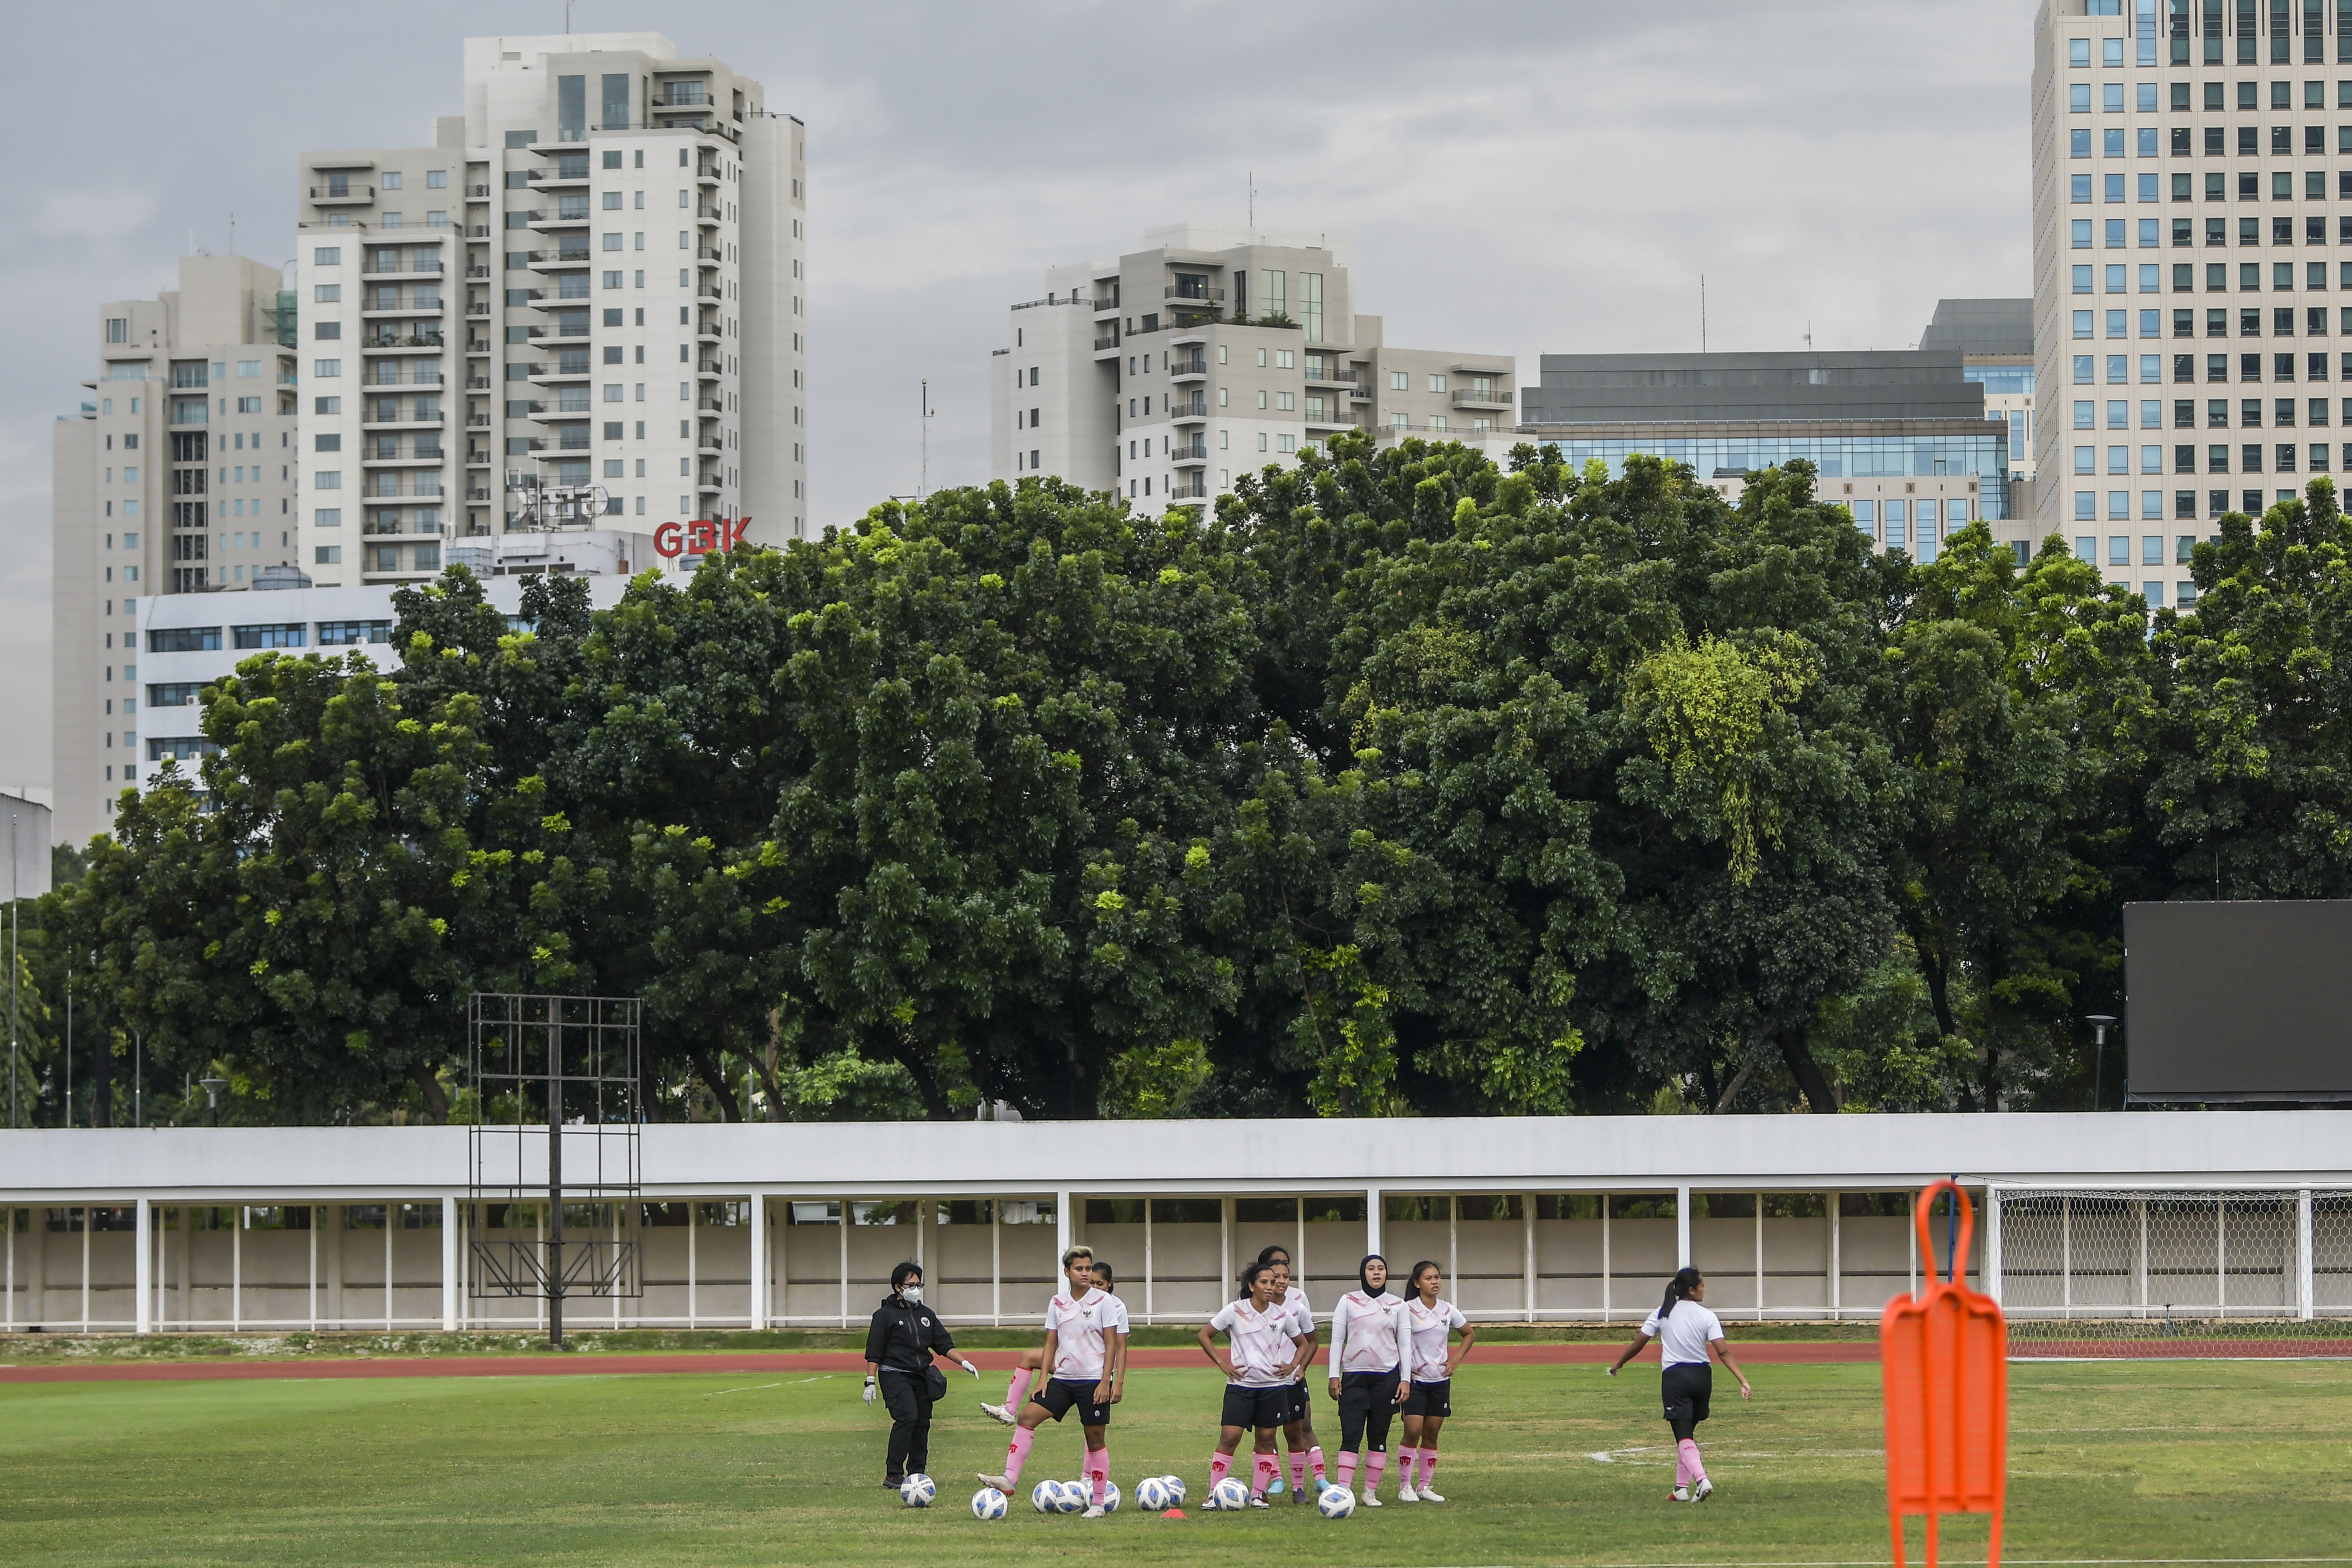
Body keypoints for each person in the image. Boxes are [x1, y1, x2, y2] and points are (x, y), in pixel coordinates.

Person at [978, 1245, 1130, 1519]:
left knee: (1095, 1440)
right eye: (1079, 1269)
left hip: (1092, 1382)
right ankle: (1009, 1479)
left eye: (1088, 1268)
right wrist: (1042, 1379)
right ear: (1067, 1272)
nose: (1085, 1273)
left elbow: (1112, 1344)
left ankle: (1098, 1504)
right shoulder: (1057, 1302)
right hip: (1062, 1379)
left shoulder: (1105, 1302)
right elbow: (1051, 1343)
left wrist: (1107, 1381)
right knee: (1027, 1417)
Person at [1608, 1265, 1752, 1503]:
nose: (1704, 1289)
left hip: (1676, 1378)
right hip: (1703, 1378)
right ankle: (1681, 1488)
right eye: (1702, 1285)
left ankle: (1702, 1480)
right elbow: (1723, 1352)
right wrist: (1743, 1381)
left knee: (1683, 1435)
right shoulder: (1708, 1316)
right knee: (1687, 1435)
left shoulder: (1662, 1313)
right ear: (1692, 1290)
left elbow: (1639, 1343)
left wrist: (1619, 1363)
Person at [1198, 1260, 1314, 1509]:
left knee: (1266, 1439)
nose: (1270, 1286)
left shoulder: (1282, 1315)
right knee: (1230, 1437)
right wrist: (1223, 1364)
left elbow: (1303, 1343)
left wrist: (1293, 1365)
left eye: (1273, 1282)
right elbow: (1204, 1335)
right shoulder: (1235, 1310)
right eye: (1264, 1282)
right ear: (1252, 1286)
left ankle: (1257, 1495)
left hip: (1272, 1389)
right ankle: (1213, 1494)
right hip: (1240, 1388)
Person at [861, 1261, 980, 1490]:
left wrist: (964, 1362)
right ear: (898, 1287)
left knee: (922, 1422)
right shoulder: (884, 1315)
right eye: (911, 1285)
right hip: (894, 1374)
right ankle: (894, 1474)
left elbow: (943, 1344)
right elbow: (874, 1350)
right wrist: (870, 1381)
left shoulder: (926, 1314)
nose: (916, 1289)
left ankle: (917, 1473)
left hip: (921, 1375)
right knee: (907, 1418)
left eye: (919, 1285)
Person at [1325, 1252, 1407, 1507]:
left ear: (1386, 1273)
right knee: (1351, 1435)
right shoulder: (1348, 1301)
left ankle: (1369, 1492)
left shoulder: (1398, 1305)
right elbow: (1337, 1340)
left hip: (1387, 1378)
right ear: (1363, 1273)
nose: (1376, 1272)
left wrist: (1405, 1379)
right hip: (1354, 1377)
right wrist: (1333, 1375)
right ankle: (1343, 1491)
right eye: (1371, 1268)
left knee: (1378, 1437)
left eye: (1381, 1268)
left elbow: (1405, 1344)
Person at [1397, 1259, 1476, 1503]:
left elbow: (1469, 1334)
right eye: (1429, 1278)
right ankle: (1405, 1487)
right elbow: (1394, 1340)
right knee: (1413, 1431)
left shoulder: (1447, 1310)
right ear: (1417, 1283)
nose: (1435, 1282)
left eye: (1437, 1277)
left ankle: (1424, 1486)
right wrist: (1402, 1371)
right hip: (1415, 1381)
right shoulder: (1406, 1309)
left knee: (1431, 1434)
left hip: (1439, 1382)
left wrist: (1456, 1360)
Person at [1257, 1244, 1327, 1500]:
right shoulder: (1254, 1303)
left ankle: (1315, 1479)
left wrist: (1301, 1367)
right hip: (1265, 1381)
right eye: (1276, 1274)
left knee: (1300, 1427)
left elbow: (1310, 1340)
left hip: (1293, 1378)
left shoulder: (1298, 1302)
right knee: (1267, 1431)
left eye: (1286, 1272)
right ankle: (1275, 1479)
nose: (1281, 1280)